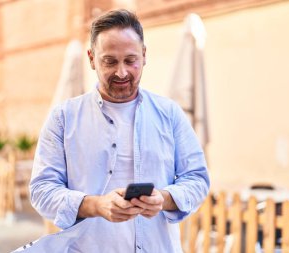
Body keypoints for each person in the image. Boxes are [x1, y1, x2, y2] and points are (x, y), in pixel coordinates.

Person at [29, 9, 210, 253]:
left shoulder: (170, 113)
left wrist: (164, 199)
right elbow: (41, 190)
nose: (122, 72)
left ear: (144, 55)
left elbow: (197, 178)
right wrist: (95, 205)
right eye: (110, 61)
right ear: (92, 58)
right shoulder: (63, 118)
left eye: (130, 60)